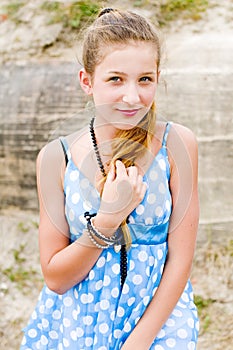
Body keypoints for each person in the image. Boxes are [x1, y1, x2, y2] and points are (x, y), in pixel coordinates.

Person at [20, 7, 199, 350]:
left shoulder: (177, 144)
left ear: (158, 77)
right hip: (75, 322)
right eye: (115, 79)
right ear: (87, 81)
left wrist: (139, 342)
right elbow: (55, 278)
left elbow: (181, 259)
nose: (132, 97)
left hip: (158, 320)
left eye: (145, 79)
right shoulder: (56, 158)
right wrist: (108, 219)